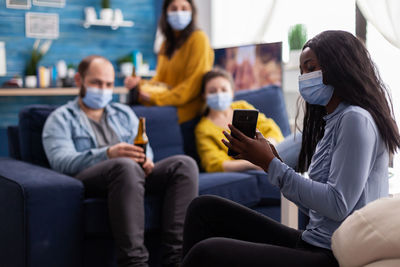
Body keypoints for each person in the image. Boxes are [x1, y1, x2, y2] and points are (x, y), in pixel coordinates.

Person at [180, 30, 400, 267]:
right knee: (203, 208)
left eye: (311, 67)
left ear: (339, 66)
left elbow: (338, 205)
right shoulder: (333, 120)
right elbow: (318, 209)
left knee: (207, 253)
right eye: (302, 69)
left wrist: (271, 165)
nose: (304, 76)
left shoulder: (356, 119)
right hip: (312, 241)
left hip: (332, 255)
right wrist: (274, 163)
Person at [42, 55, 198, 267]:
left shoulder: (124, 113)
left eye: (108, 84)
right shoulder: (60, 118)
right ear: (79, 81)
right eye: (96, 83)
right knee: (124, 166)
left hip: (132, 175)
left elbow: (146, 148)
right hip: (90, 177)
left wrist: (147, 161)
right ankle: (134, 262)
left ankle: (176, 260)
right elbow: (62, 162)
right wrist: (108, 153)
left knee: (184, 164)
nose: (103, 89)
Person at [124, 0, 214, 125]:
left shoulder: (199, 39)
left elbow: (192, 85)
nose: (179, 13)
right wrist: (139, 83)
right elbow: (160, 81)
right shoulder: (165, 44)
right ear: (166, 13)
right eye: (174, 8)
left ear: (192, 12)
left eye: (184, 8)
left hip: (186, 113)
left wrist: (155, 98)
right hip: (166, 107)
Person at [195, 68, 284, 172]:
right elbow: (214, 164)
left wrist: (268, 149)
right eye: (212, 91)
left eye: (224, 90)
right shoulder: (203, 129)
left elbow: (271, 128)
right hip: (258, 164)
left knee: (301, 139)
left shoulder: (242, 106)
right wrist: (254, 164)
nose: (219, 94)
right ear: (204, 95)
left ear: (232, 92)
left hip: (274, 152)